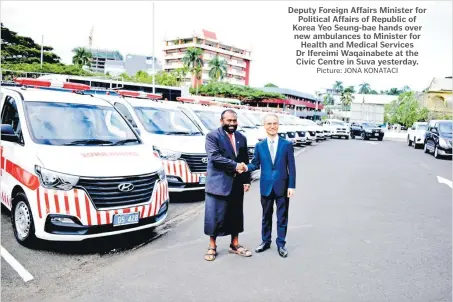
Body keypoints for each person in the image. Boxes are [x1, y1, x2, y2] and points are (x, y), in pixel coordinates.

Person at [239, 113, 296, 258]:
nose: (272, 126)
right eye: (269, 124)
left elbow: (292, 167)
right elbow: (255, 164)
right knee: (266, 216)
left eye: (275, 123)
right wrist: (245, 167)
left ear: (278, 125)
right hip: (266, 187)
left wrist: (291, 186)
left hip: (282, 186)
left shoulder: (287, 144)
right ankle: (266, 241)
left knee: (282, 216)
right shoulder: (260, 146)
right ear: (264, 126)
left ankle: (281, 243)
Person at [203, 109, 252, 261]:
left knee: (236, 214)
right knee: (214, 216)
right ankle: (212, 246)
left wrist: (246, 180)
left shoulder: (241, 138)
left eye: (234, 121)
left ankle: (235, 245)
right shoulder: (213, 136)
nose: (232, 124)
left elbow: (245, 160)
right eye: (229, 120)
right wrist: (235, 165)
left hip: (236, 183)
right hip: (218, 183)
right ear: (221, 121)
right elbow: (215, 157)